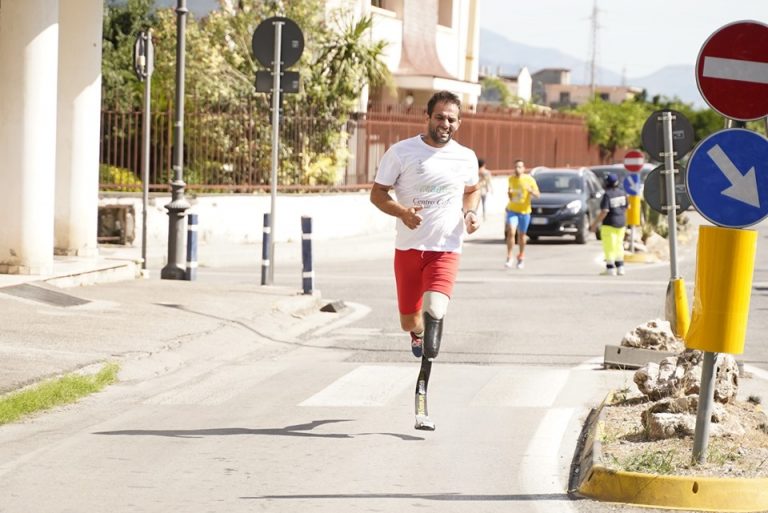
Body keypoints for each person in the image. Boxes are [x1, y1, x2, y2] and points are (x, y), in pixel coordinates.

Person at [369, 90, 481, 361]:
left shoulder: (466, 157)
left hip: (446, 248)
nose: (445, 124)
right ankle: (417, 333)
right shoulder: (401, 152)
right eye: (440, 117)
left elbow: (472, 190)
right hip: (408, 248)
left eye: (451, 119)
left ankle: (429, 350)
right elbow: (377, 194)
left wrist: (470, 213)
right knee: (409, 321)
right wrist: (403, 213)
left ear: (459, 123)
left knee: (436, 308)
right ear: (427, 117)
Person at [590, 173, 628, 276]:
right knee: (619, 245)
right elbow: (626, 207)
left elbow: (604, 211)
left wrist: (594, 224)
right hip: (621, 223)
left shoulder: (607, 195)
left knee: (609, 246)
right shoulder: (622, 193)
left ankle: (610, 268)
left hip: (609, 224)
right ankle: (620, 267)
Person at [505, 159, 539, 269]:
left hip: (524, 212)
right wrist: (509, 194)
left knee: (522, 235)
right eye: (515, 167)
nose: (517, 169)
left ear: (524, 168)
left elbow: (538, 195)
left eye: (519, 167)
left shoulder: (529, 180)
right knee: (511, 232)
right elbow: (511, 196)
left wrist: (531, 191)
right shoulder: (511, 179)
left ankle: (521, 256)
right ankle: (509, 257)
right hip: (512, 210)